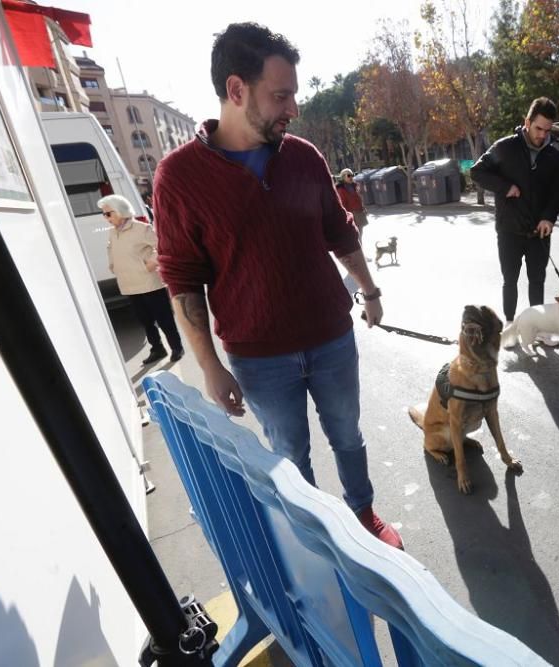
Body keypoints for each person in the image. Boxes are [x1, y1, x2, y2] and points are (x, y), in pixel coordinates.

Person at [152, 23, 402, 549]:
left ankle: (362, 514)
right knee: (291, 458)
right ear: (237, 90)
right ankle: (316, 540)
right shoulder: (179, 177)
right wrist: (210, 366)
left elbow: (340, 232)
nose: (292, 109)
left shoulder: (305, 157)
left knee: (348, 436)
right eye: (281, 95)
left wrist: (371, 291)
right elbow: (182, 281)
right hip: (259, 360)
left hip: (332, 339)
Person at [470, 97, 559, 323]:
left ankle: (538, 326)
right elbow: (477, 172)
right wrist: (505, 187)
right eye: (538, 128)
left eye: (547, 130)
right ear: (527, 121)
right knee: (510, 280)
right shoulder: (504, 147)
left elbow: (557, 193)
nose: (542, 135)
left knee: (537, 281)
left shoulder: (554, 156)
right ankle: (511, 324)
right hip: (509, 230)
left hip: (538, 233)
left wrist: (548, 219)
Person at [100, 194, 183, 365]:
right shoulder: (112, 232)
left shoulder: (141, 228)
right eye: (104, 214)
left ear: (121, 211)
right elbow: (112, 252)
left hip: (149, 283)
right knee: (145, 321)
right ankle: (157, 348)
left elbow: (162, 245)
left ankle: (176, 347)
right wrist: (113, 266)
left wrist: (151, 264)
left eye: (108, 213)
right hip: (129, 285)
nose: (106, 218)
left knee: (164, 318)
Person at [336, 168, 368, 242]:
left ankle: (360, 245)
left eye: (352, 175)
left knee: (360, 231)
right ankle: (358, 247)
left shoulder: (354, 186)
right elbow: (342, 203)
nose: (351, 177)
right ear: (343, 177)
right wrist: (346, 215)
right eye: (348, 175)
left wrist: (363, 208)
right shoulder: (341, 189)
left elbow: (359, 198)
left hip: (359, 211)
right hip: (351, 213)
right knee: (355, 233)